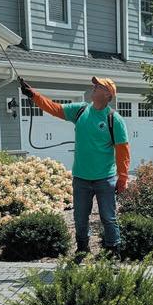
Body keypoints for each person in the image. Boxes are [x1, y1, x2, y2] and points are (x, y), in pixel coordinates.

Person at [20, 76, 130, 257]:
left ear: (108, 94)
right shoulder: (80, 110)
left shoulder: (114, 119)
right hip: (81, 178)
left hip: (105, 179)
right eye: (95, 85)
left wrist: (123, 178)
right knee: (80, 217)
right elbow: (54, 108)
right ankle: (82, 249)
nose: (94, 87)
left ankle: (113, 252)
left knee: (108, 218)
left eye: (99, 86)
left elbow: (123, 151)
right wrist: (34, 95)